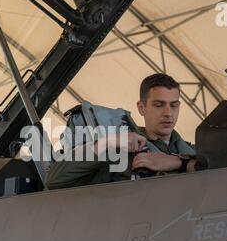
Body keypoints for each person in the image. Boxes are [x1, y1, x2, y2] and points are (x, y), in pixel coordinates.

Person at [45, 73, 197, 190]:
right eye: (159, 105)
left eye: (174, 105)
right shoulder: (120, 150)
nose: (168, 113)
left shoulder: (194, 152)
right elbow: (54, 180)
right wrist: (108, 142)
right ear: (141, 108)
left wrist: (181, 163)